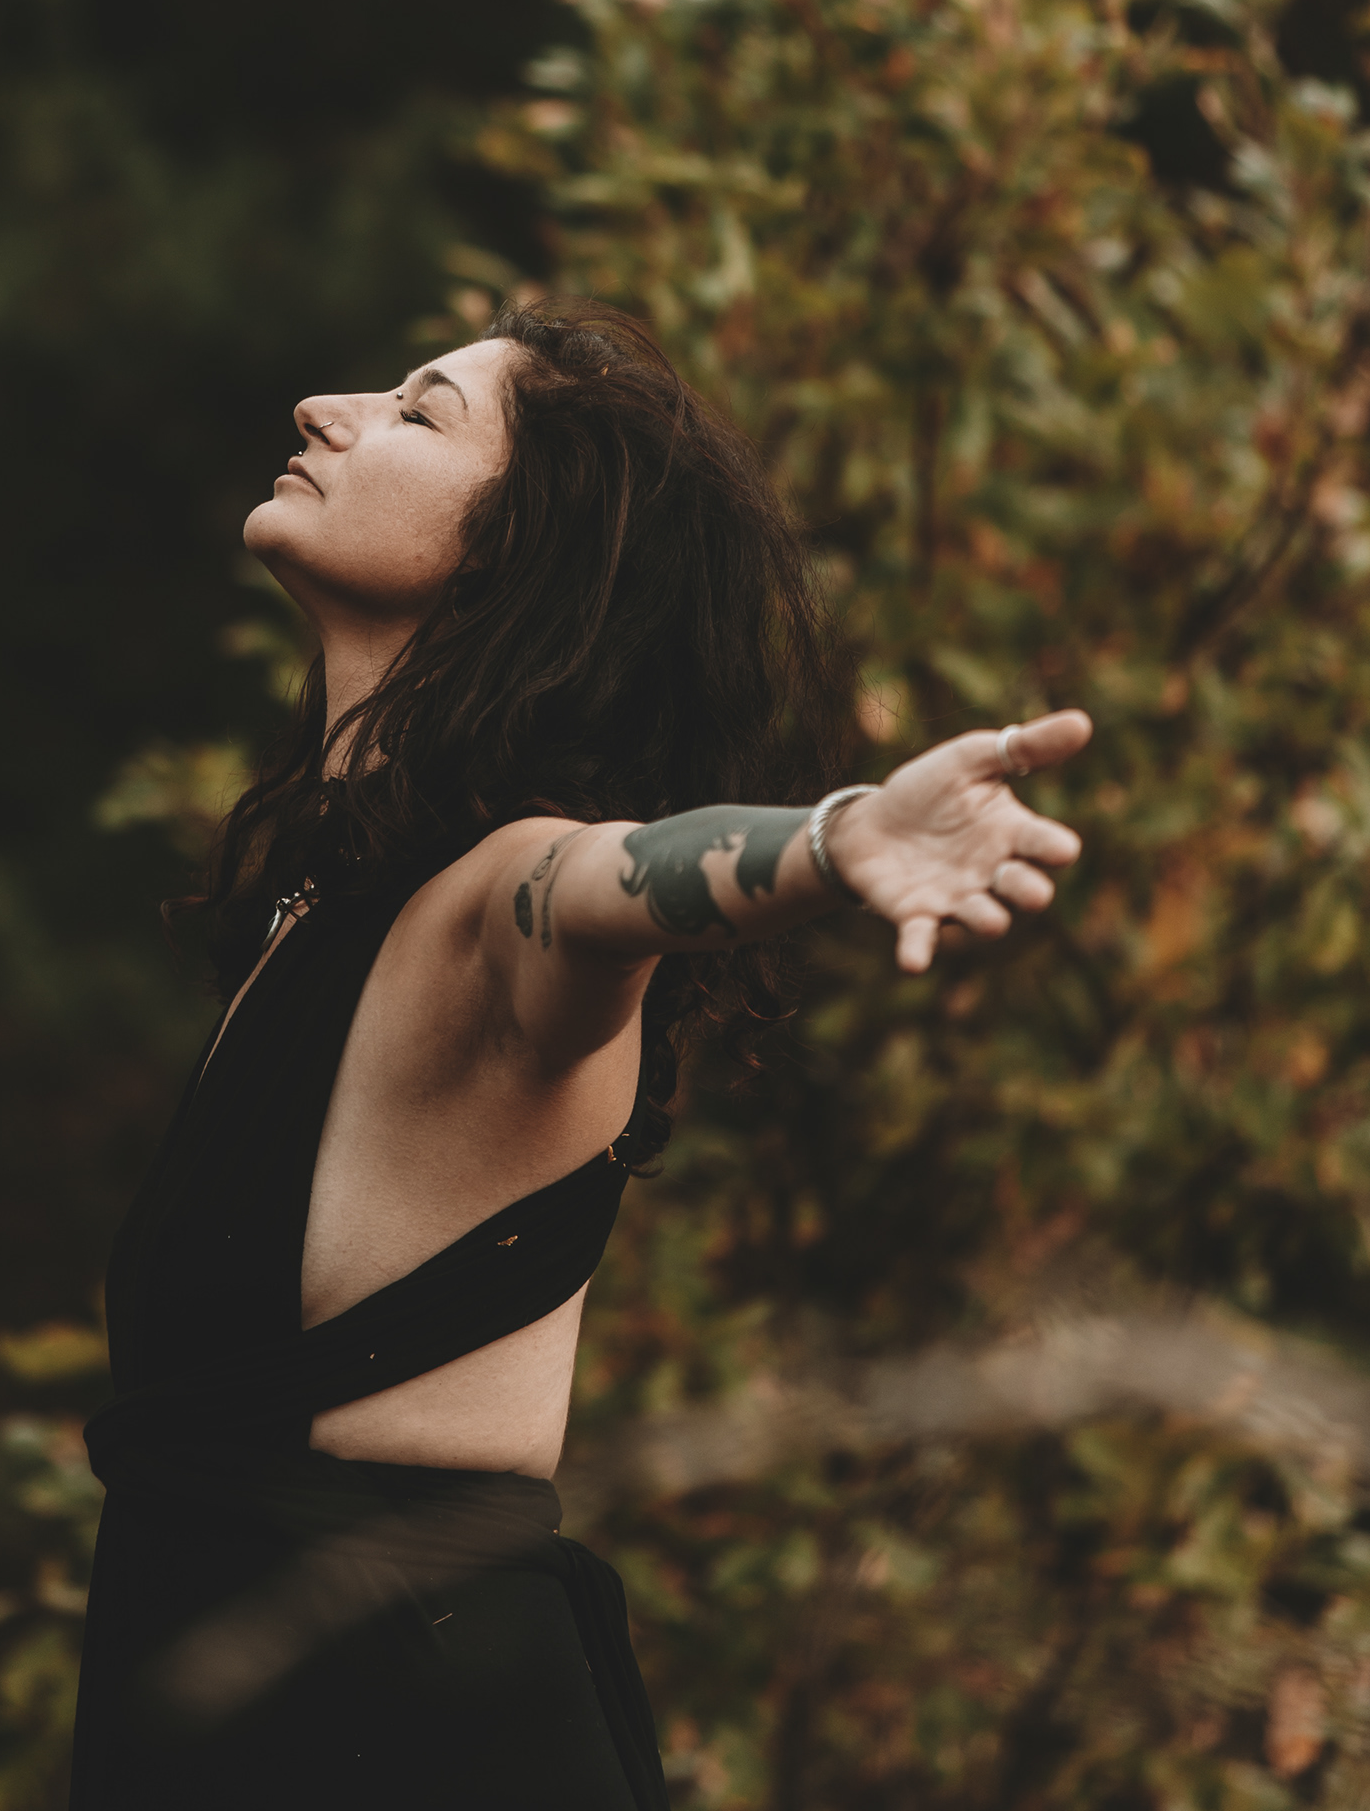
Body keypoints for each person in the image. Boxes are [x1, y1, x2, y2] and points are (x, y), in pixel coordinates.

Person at [69, 299, 1089, 1809]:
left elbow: (617, 882)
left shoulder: (495, 899)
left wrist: (834, 840)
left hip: (416, 1735)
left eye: (420, 411)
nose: (324, 408)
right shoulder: (315, 905)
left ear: (511, 556)